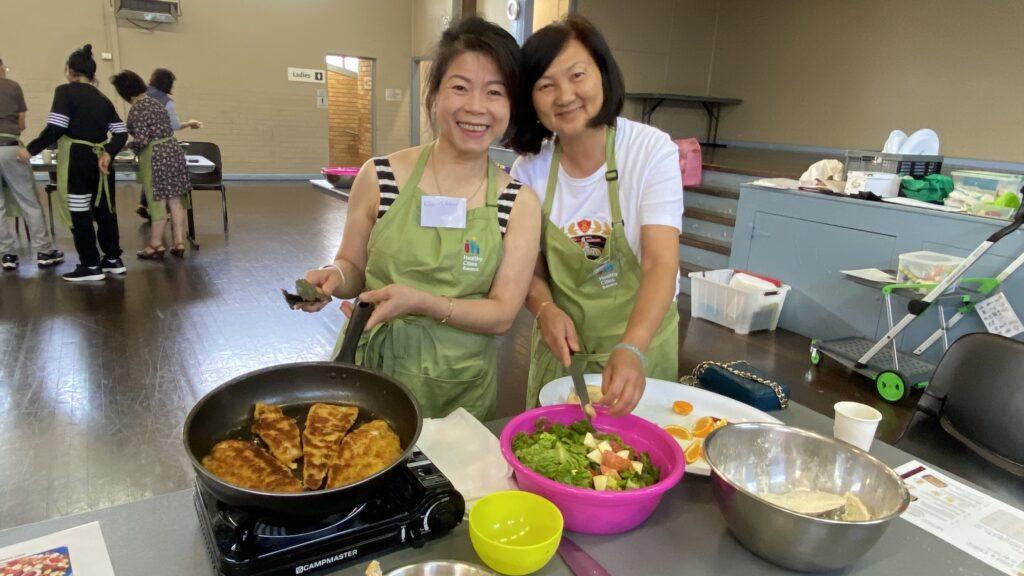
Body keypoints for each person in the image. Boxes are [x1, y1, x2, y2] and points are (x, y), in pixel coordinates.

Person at [299, 17, 541, 420]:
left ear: (511, 105)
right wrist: (334, 277)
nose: (476, 107)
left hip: (458, 387)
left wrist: (422, 302)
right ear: (435, 93)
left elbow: (501, 315)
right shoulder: (380, 176)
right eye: (460, 87)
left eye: (494, 92)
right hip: (370, 372)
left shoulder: (518, 202)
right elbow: (352, 265)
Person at [510, 15, 683, 416]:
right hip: (565, 352)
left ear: (603, 74)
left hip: (641, 345)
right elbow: (528, 268)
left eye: (577, 75)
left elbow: (661, 262)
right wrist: (544, 309)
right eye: (545, 85)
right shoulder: (529, 170)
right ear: (530, 100)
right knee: (556, 448)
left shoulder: (650, 151)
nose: (564, 95)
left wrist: (632, 345)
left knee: (637, 449)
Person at [18, 44, 128, 282]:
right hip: (102, 161)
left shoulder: (65, 92)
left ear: (69, 70)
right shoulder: (103, 98)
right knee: (104, 210)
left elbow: (56, 128)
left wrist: (31, 149)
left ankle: (90, 265)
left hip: (78, 159)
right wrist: (109, 152)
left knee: (79, 211)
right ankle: (112, 259)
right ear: (92, 74)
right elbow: (121, 132)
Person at [110, 70, 191, 259]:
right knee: (175, 201)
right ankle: (179, 242)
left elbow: (143, 140)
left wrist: (128, 145)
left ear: (125, 92)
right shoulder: (157, 104)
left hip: (156, 156)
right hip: (173, 150)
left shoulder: (137, 109)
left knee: (157, 201)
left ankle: (155, 244)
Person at [0, 56, 64, 271]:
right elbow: (21, 123)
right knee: (28, 200)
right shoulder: (13, 87)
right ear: (1, 68)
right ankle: (44, 251)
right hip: (9, 146)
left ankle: (6, 254)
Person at [136, 68, 201, 221]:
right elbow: (174, 125)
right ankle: (165, 216)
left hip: (143, 146)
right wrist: (190, 123)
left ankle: (143, 204)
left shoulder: (141, 96)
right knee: (167, 182)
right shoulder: (166, 102)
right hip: (162, 148)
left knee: (150, 177)